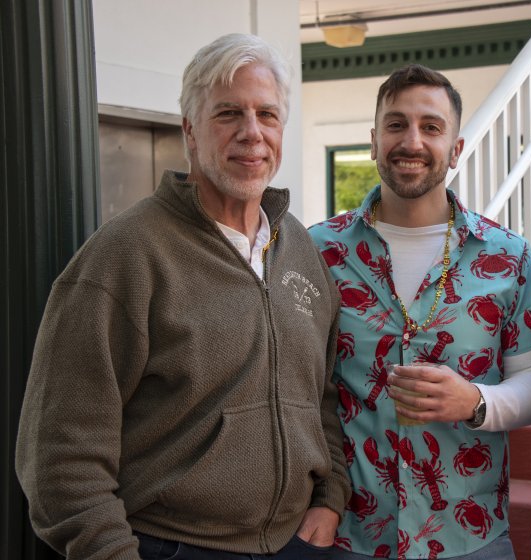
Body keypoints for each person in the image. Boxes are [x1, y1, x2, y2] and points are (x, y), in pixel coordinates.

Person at [16, 33, 350, 559]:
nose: (251, 133)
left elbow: (323, 394)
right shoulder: (124, 255)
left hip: (296, 543)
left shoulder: (301, 251)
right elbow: (61, 449)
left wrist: (331, 497)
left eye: (267, 114)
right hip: (169, 546)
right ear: (190, 130)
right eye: (228, 114)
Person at [309, 64, 531, 559]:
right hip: (350, 535)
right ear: (374, 140)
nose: (411, 141)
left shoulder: (507, 255)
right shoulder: (317, 250)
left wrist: (477, 403)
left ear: (455, 149)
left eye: (431, 127)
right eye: (396, 125)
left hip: (469, 537)